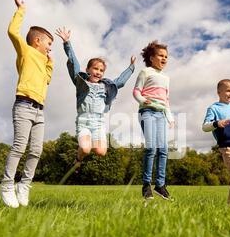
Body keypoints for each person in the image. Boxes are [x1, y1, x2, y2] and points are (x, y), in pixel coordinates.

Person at [0, 0, 54, 208]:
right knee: (20, 146)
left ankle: (25, 185)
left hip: (40, 110)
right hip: (23, 105)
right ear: (37, 41)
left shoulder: (43, 59)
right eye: (49, 43)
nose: (50, 47)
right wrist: (21, 10)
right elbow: (12, 31)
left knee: (36, 150)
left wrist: (50, 64)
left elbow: (47, 80)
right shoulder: (26, 52)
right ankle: (6, 184)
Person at [55, 27, 135, 168]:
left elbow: (120, 81)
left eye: (101, 70)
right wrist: (67, 43)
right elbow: (74, 65)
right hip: (84, 121)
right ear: (88, 70)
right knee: (85, 149)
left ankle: (84, 152)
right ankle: (78, 159)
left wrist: (131, 67)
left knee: (101, 151)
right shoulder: (81, 83)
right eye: (95, 69)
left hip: (98, 123)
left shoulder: (106, 86)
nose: (98, 72)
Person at [133, 41, 175, 200]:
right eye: (161, 56)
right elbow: (136, 91)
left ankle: (160, 185)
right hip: (147, 112)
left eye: (166, 56)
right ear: (151, 58)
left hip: (161, 114)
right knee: (151, 148)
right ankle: (146, 185)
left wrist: (170, 117)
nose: (164, 59)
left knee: (163, 149)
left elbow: (166, 99)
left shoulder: (166, 77)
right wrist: (143, 100)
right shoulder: (146, 72)